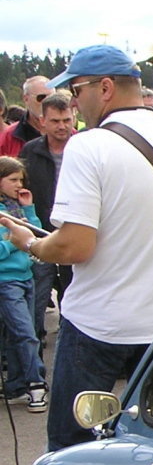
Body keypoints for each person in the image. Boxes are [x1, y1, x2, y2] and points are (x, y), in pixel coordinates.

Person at [0, 44, 153, 450]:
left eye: (77, 91)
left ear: (106, 88)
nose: (74, 103)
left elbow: (75, 246)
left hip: (99, 324)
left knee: (73, 449)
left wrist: (30, 242)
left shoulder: (88, 145)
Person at [18, 92, 75, 350]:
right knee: (40, 291)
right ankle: (35, 341)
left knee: (73, 291)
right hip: (40, 229)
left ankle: (71, 339)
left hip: (75, 230)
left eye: (66, 120)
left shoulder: (83, 146)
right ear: (43, 122)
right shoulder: (30, 152)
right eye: (55, 121)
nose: (62, 126)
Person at [0, 156, 47, 410]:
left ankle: (16, 384)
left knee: (18, 333)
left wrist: (28, 209)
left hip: (26, 276)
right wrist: (12, 242)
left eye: (21, 179)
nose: (19, 184)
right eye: (13, 180)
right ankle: (35, 385)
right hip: (6, 280)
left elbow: (37, 235)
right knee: (26, 334)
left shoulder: (17, 207)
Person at [0, 76, 50, 157]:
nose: (47, 103)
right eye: (41, 97)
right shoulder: (8, 137)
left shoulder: (69, 133)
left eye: (52, 97)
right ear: (26, 99)